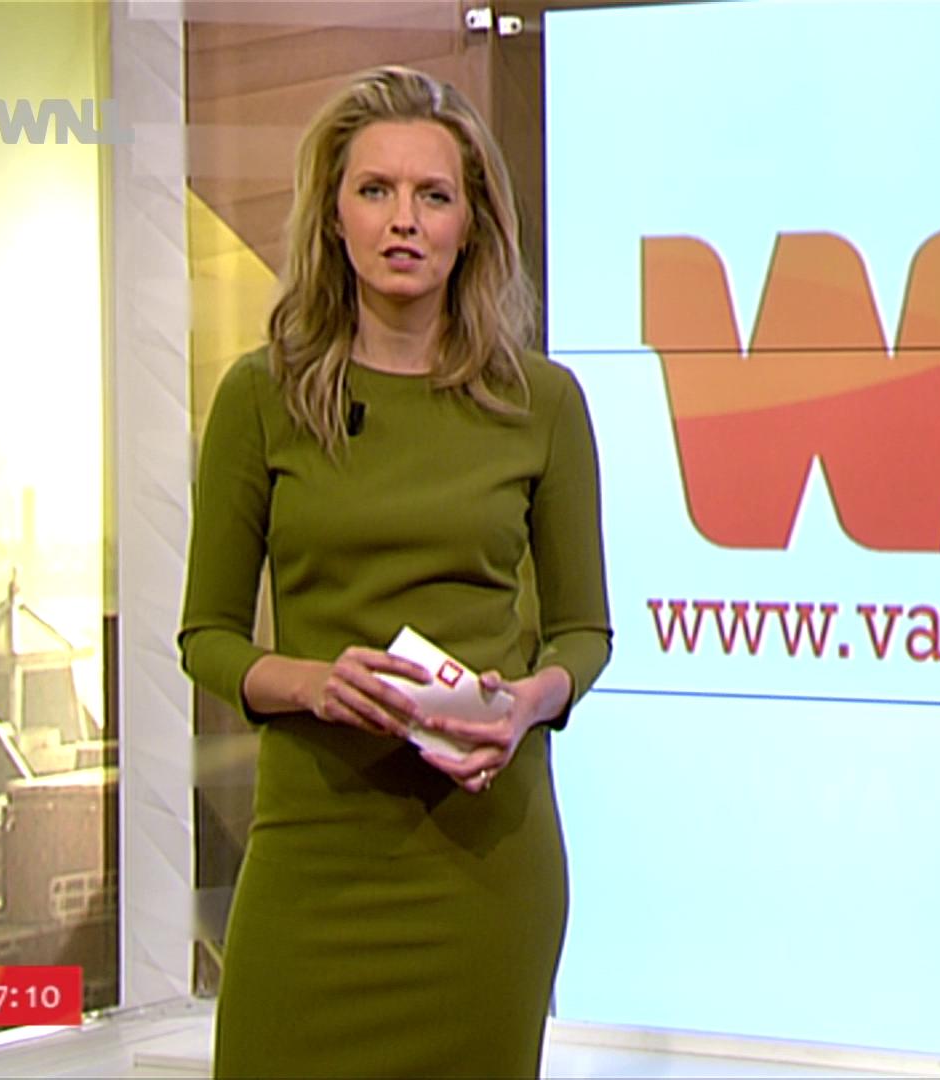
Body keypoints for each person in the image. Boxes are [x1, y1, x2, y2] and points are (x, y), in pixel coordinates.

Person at [178, 65, 611, 1078]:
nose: (403, 220)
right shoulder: (262, 398)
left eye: (433, 195)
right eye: (375, 190)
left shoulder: (543, 403)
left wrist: (527, 703)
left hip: (484, 860)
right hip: (315, 852)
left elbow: (585, 634)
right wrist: (313, 683)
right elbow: (208, 639)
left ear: (473, 224)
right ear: (334, 217)